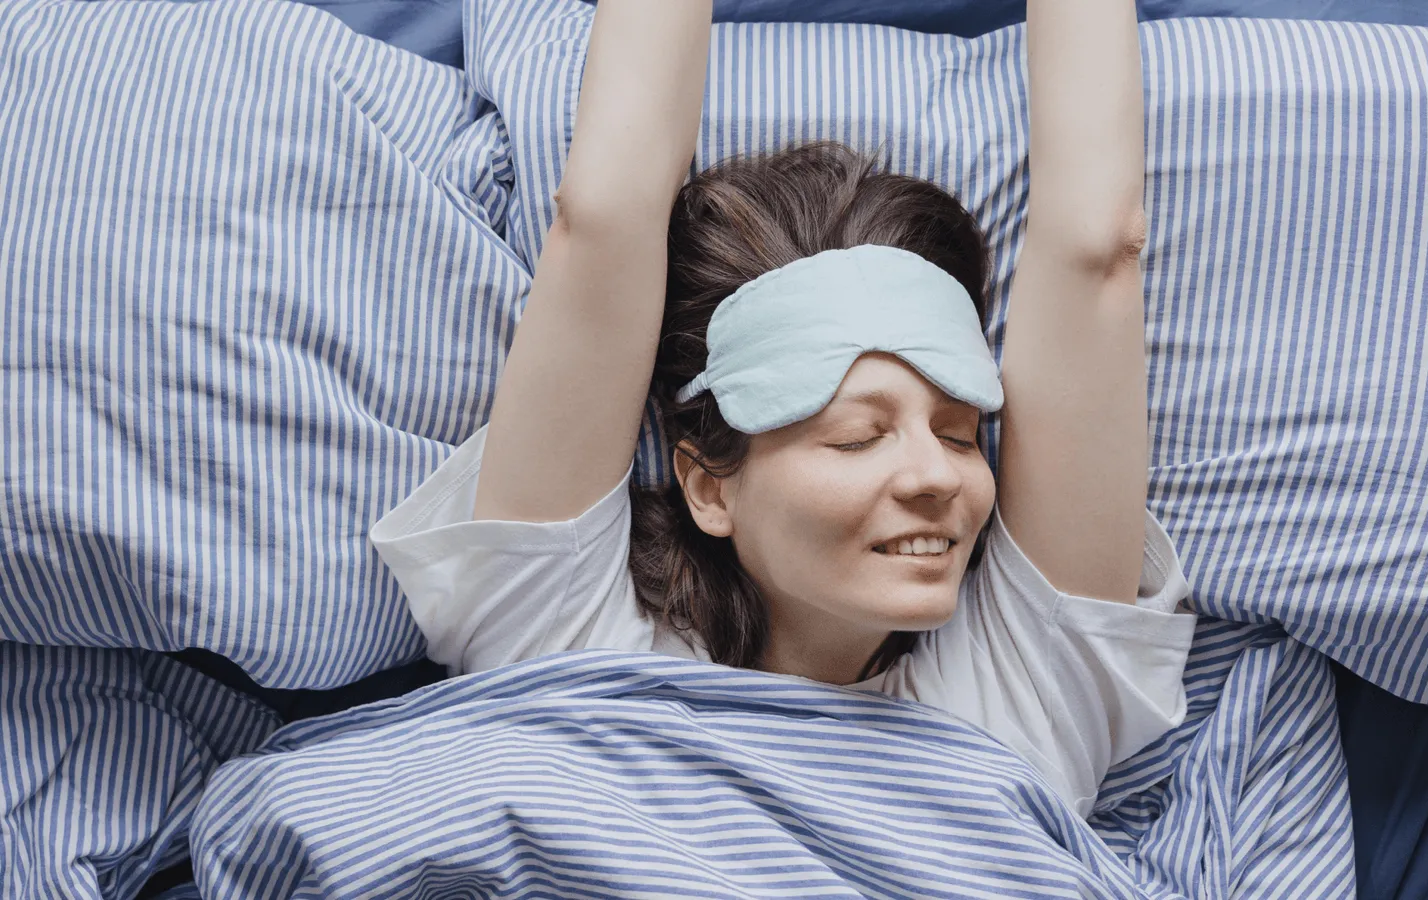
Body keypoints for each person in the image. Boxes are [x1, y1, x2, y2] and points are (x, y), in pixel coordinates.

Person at [370, 0, 1197, 820]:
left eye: (958, 435)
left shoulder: (1027, 696)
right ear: (709, 487)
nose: (937, 476)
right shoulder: (568, 645)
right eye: (858, 438)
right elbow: (605, 214)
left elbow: (1099, 251)